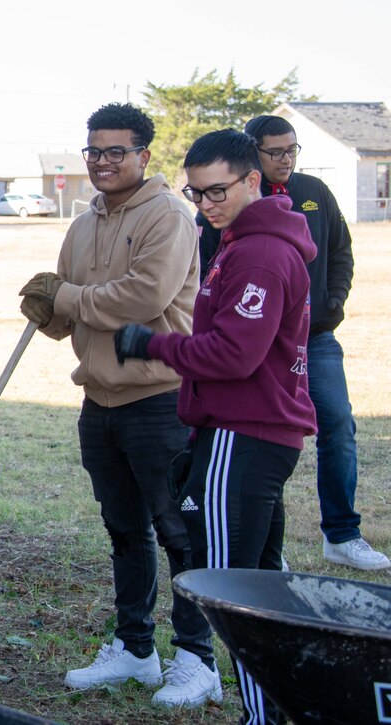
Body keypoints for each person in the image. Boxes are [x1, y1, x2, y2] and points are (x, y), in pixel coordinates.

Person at [18, 102, 219, 707]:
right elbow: (72, 312)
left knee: (179, 533)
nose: (102, 162)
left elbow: (141, 298)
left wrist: (70, 297)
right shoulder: (82, 225)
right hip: (99, 402)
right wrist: (46, 310)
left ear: (143, 156)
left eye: (115, 152)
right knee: (124, 530)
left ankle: (197, 658)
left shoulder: (170, 216)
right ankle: (135, 649)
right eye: (94, 151)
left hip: (159, 400)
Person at [116, 128, 318, 725]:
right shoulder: (243, 241)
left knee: (232, 593)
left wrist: (153, 343)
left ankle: (262, 717)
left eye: (218, 191)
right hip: (251, 433)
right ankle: (276, 712)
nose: (206, 205)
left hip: (245, 434)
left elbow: (235, 355)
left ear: (254, 179)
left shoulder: (260, 252)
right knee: (257, 587)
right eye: (197, 194)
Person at [197, 116, 389, 571]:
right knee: (265, 442)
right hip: (256, 346)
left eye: (293, 150)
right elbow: (209, 271)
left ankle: (341, 534)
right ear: (252, 158)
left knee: (338, 427)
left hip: (316, 339)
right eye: (276, 152)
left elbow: (341, 251)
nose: (287, 159)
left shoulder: (314, 193)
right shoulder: (223, 204)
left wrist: (332, 303)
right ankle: (268, 549)